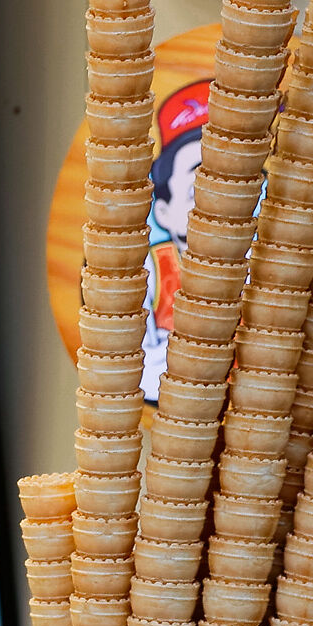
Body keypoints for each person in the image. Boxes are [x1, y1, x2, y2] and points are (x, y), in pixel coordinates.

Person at [139, 78, 209, 405]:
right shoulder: (150, 271)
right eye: (197, 190)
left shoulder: (264, 270)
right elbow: (142, 374)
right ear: (164, 212)